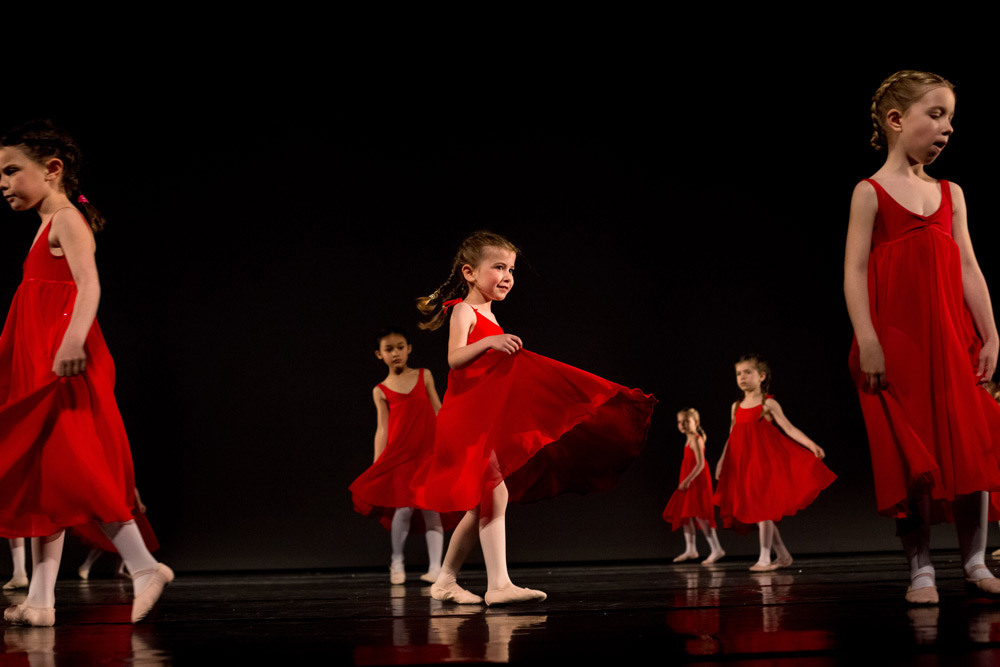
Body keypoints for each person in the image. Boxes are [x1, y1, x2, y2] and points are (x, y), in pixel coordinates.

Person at [414, 230, 656, 605]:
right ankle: (498, 585)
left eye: (511, 268)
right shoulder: (464, 311)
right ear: (469, 272)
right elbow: (455, 358)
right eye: (498, 267)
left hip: (479, 418)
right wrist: (491, 342)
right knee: (494, 493)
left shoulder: (490, 314)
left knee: (485, 500)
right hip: (463, 420)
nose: (508, 275)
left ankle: (446, 580)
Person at [0, 120, 172, 626]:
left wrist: (72, 340)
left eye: (12, 171)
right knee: (43, 479)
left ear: (52, 170)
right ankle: (41, 600)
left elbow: (88, 285)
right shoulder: (44, 224)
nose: (3, 183)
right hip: (41, 364)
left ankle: (144, 566)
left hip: (65, 364)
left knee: (77, 470)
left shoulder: (67, 220)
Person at [845, 70, 1000, 604]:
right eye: (936, 115)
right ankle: (921, 569)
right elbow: (855, 270)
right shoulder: (870, 193)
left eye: (951, 118)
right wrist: (867, 338)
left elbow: (969, 269)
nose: (947, 128)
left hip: (952, 340)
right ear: (895, 120)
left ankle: (976, 561)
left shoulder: (949, 192)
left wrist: (992, 333)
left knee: (972, 442)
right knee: (909, 450)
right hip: (898, 341)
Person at [714, 355, 835, 571]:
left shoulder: (767, 403)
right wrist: (722, 461)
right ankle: (783, 555)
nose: (742, 377)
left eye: (747, 372)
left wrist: (811, 444)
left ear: (761, 376)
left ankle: (764, 558)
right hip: (744, 465)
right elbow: (732, 436)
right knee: (761, 511)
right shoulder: (736, 407)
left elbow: (788, 428)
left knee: (763, 510)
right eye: (738, 373)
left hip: (764, 463)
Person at [349, 326, 448, 585]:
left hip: (428, 451)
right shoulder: (381, 389)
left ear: (409, 348)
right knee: (403, 509)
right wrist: (377, 462)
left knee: (431, 508)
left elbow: (438, 410)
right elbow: (382, 427)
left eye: (400, 347)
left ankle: (437, 568)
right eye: (389, 349)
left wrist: (450, 443)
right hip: (401, 454)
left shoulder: (424, 376)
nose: (396, 353)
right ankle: (396, 561)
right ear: (379, 354)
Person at [663, 408, 724, 565]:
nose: (682, 425)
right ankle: (691, 550)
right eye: (680, 422)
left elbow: (700, 463)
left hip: (697, 480)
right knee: (686, 514)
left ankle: (716, 549)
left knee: (700, 514)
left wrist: (688, 480)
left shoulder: (696, 439)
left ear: (695, 422)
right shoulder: (688, 438)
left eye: (686, 421)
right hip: (689, 479)